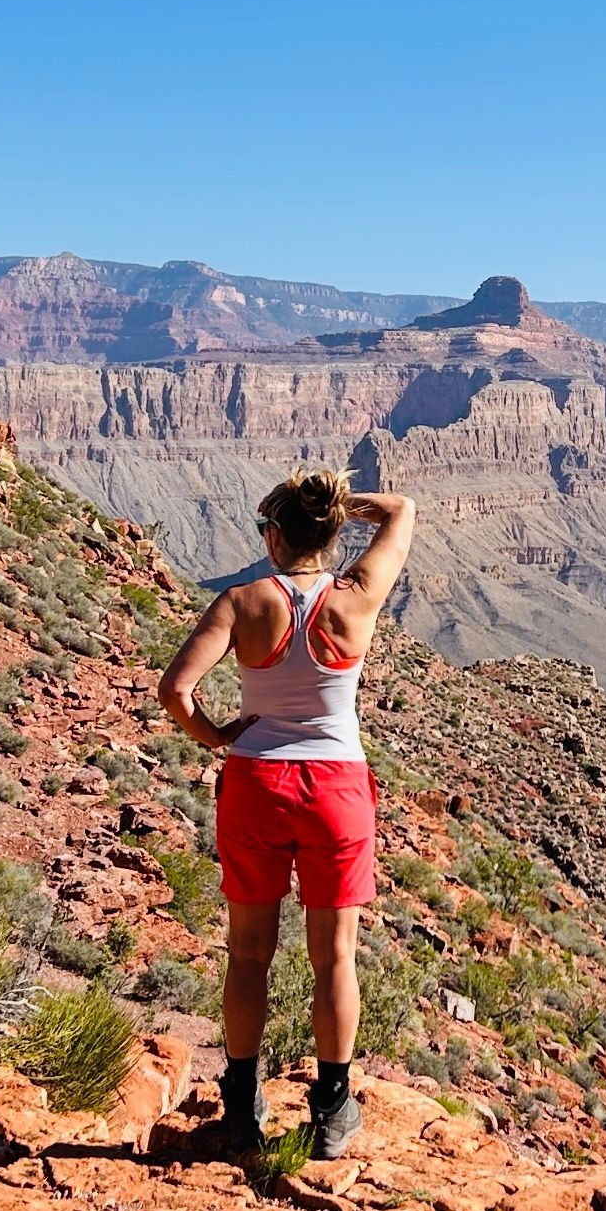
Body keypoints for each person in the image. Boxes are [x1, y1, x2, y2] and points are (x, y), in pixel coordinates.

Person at [157, 470, 416, 1159]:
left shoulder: (241, 601)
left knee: (248, 953)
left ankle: (241, 1109)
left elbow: (176, 689)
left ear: (273, 536)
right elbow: (401, 513)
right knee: (334, 955)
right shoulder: (355, 599)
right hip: (337, 788)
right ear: (330, 535)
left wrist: (215, 737)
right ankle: (332, 1112)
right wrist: (337, 505)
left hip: (257, 783)